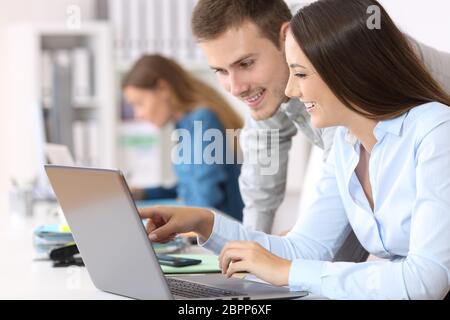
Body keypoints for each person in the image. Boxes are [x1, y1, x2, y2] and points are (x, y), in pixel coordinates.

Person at [139, 0, 450, 299]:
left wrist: (287, 271)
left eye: (300, 73)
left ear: (345, 69)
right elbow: (306, 248)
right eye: (220, 71)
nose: (235, 88)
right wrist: (205, 223)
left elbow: (425, 280)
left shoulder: (433, 128)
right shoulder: (346, 144)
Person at [123, 54, 244, 221]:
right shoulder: (183, 125)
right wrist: (142, 193)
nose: (138, 114)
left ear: (162, 88)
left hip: (216, 238)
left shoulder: (202, 120)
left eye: (140, 103)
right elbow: (188, 189)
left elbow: (206, 199)